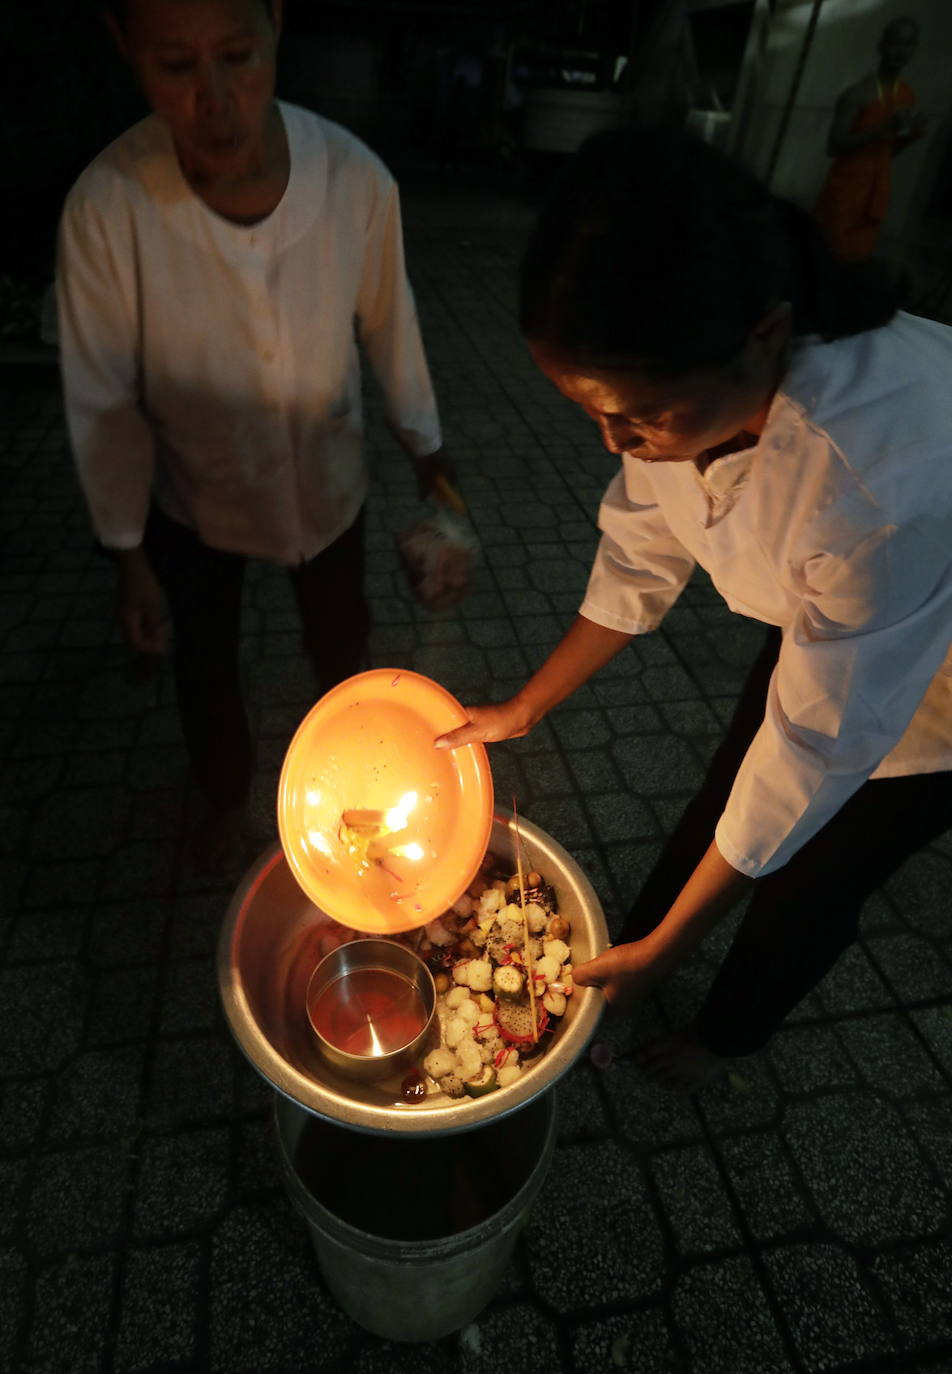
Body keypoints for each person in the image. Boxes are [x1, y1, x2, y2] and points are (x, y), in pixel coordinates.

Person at [436, 125, 952, 1090]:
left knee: (820, 867)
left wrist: (674, 946)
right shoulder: (686, 381)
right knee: (741, 779)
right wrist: (524, 708)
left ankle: (727, 1034)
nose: (611, 440)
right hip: (843, 609)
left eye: (635, 416)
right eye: (590, 411)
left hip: (941, 675)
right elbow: (642, 550)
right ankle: (651, 941)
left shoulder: (875, 479)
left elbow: (814, 746)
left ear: (761, 336)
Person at [57, 0, 452, 868]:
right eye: (176, 65)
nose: (215, 98)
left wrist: (431, 458)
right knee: (204, 659)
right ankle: (226, 799)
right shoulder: (106, 208)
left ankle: (362, 795)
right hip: (194, 494)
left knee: (343, 644)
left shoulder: (354, 182)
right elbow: (102, 399)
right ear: (124, 46)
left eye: (237, 56)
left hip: (329, 482)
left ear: (277, 22)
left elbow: (391, 324)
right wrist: (127, 553)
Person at [814, 15, 926, 261]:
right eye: (894, 42)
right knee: (828, 257)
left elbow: (888, 151)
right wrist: (882, 129)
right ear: (881, 45)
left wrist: (914, 134)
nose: (900, 50)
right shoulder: (857, 94)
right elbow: (834, 147)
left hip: (875, 192)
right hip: (846, 190)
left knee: (856, 260)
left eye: (908, 44)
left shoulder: (906, 95)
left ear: (914, 49)